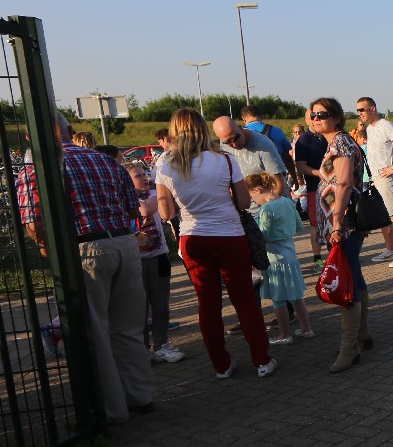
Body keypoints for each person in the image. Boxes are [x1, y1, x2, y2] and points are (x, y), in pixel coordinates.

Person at [17, 113, 157, 424]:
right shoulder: (104, 160)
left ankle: (110, 410)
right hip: (124, 243)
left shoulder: (36, 168)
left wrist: (45, 246)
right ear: (70, 130)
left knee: (95, 332)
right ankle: (141, 396)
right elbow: (132, 207)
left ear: (30, 137)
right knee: (128, 327)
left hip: (84, 249)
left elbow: (33, 220)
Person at [155, 108, 276, 379]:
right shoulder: (225, 159)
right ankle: (262, 360)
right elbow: (244, 202)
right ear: (202, 128)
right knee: (244, 299)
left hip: (192, 237)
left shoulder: (166, 163)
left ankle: (221, 366)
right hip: (229, 235)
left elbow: (166, 213)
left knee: (208, 304)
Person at [308, 97, 371, 372]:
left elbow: (343, 184)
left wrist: (335, 224)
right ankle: (362, 335)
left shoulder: (342, 142)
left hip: (343, 224)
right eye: (313, 115)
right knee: (354, 275)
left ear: (335, 117)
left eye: (321, 114)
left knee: (346, 281)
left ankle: (349, 348)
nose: (315, 119)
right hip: (340, 223)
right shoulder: (335, 142)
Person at [246, 172, 314, 344]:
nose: (253, 200)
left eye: (252, 196)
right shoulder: (287, 201)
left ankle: (284, 334)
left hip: (274, 259)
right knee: (296, 296)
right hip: (291, 256)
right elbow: (299, 225)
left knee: (278, 299)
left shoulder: (266, 209)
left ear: (257, 190)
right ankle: (306, 328)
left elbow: (264, 236)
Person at [127, 162, 184, 364]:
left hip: (158, 256)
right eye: (138, 176)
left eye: (144, 174)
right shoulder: (122, 198)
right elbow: (142, 211)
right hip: (136, 260)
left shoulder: (153, 193)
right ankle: (141, 349)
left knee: (160, 305)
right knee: (139, 309)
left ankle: (161, 345)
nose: (145, 178)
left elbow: (146, 209)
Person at [357, 97, 393, 267]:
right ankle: (390, 249)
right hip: (375, 178)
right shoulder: (370, 129)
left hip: (386, 179)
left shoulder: (385, 125)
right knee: (384, 216)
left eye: (362, 109)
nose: (360, 113)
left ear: (373, 108)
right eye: (358, 111)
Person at [212, 116, 289, 208]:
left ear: (240, 128)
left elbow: (279, 183)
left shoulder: (263, 145)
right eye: (228, 142)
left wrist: (270, 208)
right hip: (246, 208)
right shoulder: (223, 145)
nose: (234, 144)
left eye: (236, 138)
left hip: (270, 206)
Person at [293, 116, 329, 270]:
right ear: (307, 121)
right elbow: (300, 165)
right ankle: (317, 260)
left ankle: (335, 256)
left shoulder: (328, 136)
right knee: (316, 225)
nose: (316, 120)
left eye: (318, 117)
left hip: (332, 188)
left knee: (333, 222)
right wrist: (319, 173)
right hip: (315, 188)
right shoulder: (304, 140)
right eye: (312, 117)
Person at [241, 105, 299, 185]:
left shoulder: (240, 135)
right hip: (276, 181)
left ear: (243, 119)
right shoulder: (276, 131)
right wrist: (294, 179)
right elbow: (287, 158)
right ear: (261, 116)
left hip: (249, 183)